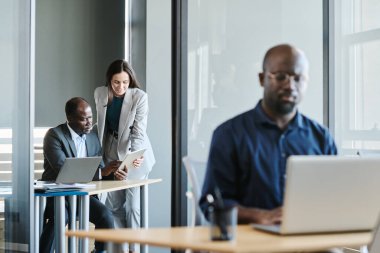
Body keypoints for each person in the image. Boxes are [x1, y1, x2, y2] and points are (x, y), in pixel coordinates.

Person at [199, 44, 337, 225]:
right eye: (281, 77)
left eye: (298, 78)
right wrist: (263, 216)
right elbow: (213, 205)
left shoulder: (321, 138)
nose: (290, 85)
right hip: (250, 241)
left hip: (308, 238)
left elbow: (335, 198)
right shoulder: (229, 135)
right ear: (262, 79)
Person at [39, 97, 119, 253]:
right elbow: (64, 170)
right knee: (61, 217)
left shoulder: (92, 137)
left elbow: (100, 170)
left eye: (90, 117)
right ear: (70, 118)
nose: (89, 122)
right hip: (57, 195)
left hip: (82, 195)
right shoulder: (54, 135)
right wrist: (102, 172)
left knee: (106, 217)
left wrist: (114, 171)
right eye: (84, 119)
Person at [94, 59, 155, 253]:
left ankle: (134, 249)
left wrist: (129, 162)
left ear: (130, 82)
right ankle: (121, 249)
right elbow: (100, 127)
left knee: (133, 206)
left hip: (134, 152)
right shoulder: (100, 93)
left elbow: (138, 132)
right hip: (111, 150)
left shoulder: (139, 97)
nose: (120, 87)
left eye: (125, 82)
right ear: (109, 81)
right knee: (115, 205)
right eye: (116, 82)